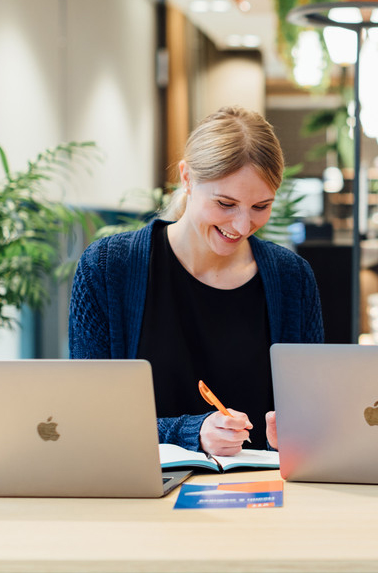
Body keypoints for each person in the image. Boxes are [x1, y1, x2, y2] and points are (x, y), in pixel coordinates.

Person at [68, 106, 324, 456]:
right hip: (143, 497)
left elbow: (313, 415)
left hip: (263, 497)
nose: (241, 225)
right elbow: (91, 415)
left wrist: (297, 437)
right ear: (187, 178)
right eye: (225, 203)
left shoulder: (292, 278)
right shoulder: (107, 268)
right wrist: (194, 432)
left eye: (260, 206)